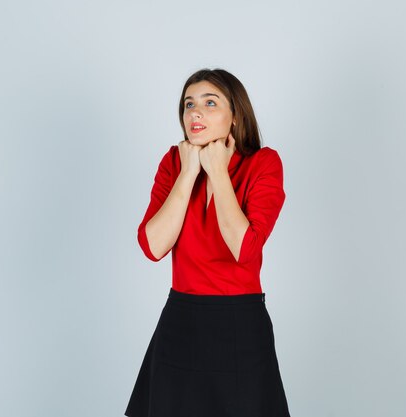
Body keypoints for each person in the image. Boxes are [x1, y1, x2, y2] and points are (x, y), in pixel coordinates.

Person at [124, 68, 291, 417]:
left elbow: (244, 248)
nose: (195, 112)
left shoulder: (263, 163)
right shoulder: (174, 161)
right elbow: (153, 246)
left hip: (239, 325)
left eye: (210, 103)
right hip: (180, 322)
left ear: (235, 116)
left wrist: (217, 171)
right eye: (189, 104)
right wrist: (188, 173)